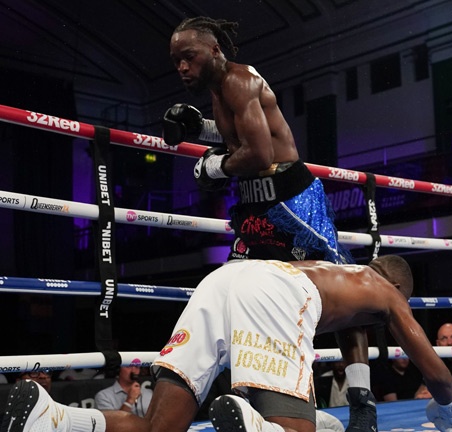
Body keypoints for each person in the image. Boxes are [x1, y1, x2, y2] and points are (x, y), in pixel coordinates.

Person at [163, 17, 374, 424]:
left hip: (295, 205)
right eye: (176, 62)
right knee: (236, 298)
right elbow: (238, 137)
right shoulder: (220, 89)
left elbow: (259, 155)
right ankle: (250, 403)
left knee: (347, 296)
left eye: (188, 57)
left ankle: (361, 402)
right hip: (255, 210)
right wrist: (198, 130)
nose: (182, 68)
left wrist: (213, 169)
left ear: (214, 51)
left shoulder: (239, 83)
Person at [2, 256, 452, 432]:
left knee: (159, 429)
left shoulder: (341, 276)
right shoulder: (387, 291)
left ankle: (58, 419)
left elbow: (355, 337)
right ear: (397, 289)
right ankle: (257, 424)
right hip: (273, 291)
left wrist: (359, 400)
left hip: (221, 279)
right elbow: (430, 365)